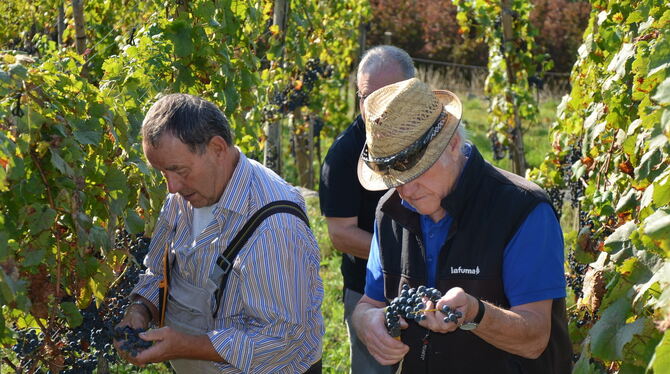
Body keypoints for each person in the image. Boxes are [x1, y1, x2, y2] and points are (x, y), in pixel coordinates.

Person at [351, 78, 572, 373]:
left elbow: (535, 338)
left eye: (418, 170)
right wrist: (366, 322)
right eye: (395, 177)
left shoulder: (521, 209)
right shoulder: (389, 212)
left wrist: (475, 312)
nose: (405, 189)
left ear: (453, 144)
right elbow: (369, 302)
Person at [114, 93, 324, 373]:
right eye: (162, 172)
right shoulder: (183, 197)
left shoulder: (274, 226)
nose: (171, 186)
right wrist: (140, 309)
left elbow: (281, 341)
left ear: (217, 148)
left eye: (177, 170)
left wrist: (189, 345)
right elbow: (158, 272)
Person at [319, 45, 415, 374]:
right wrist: (407, 258)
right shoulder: (345, 154)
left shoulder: (430, 138)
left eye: (385, 95)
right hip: (369, 293)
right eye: (364, 96)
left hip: (433, 286)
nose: (372, 107)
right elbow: (341, 235)